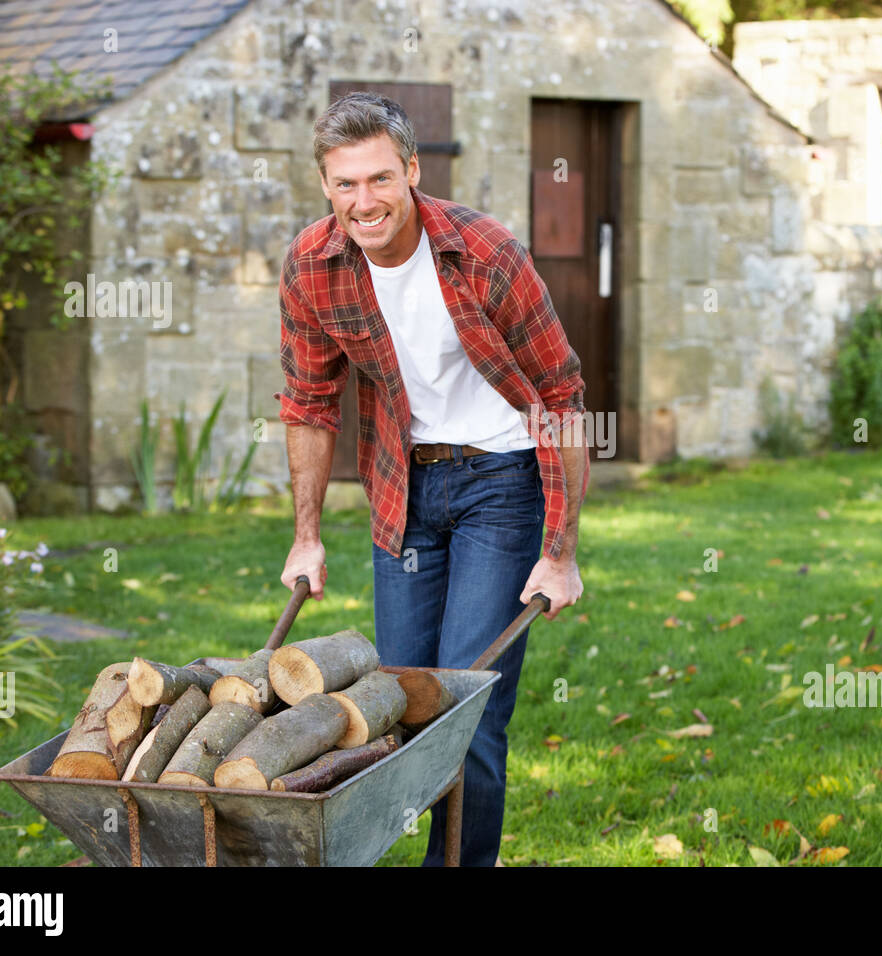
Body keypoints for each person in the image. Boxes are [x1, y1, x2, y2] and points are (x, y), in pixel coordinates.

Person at [275, 92, 588, 866]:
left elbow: (561, 397)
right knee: (402, 707)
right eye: (345, 184)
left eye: (380, 179)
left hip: (502, 486)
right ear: (325, 185)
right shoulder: (313, 265)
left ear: (412, 171)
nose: (364, 201)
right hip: (403, 492)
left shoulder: (485, 253)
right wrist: (306, 538)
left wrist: (562, 547)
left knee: (467, 710)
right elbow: (309, 405)